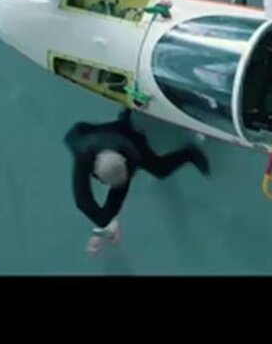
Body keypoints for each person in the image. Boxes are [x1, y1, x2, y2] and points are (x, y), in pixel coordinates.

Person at [63, 109, 210, 254]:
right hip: (98, 134)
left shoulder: (133, 155)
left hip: (129, 140)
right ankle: (124, 119)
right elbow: (82, 201)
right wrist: (103, 225)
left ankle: (189, 153)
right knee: (103, 218)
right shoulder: (83, 155)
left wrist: (105, 225)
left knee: (160, 169)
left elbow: (116, 197)